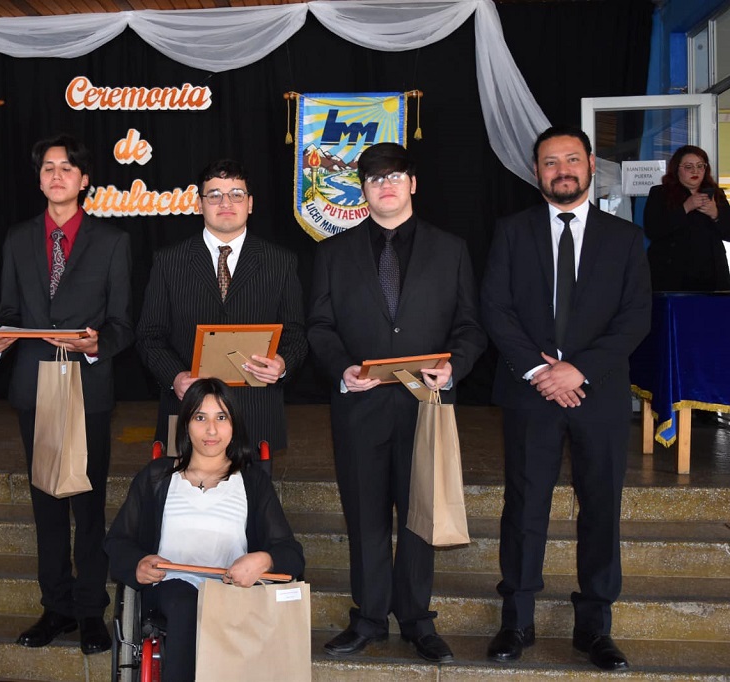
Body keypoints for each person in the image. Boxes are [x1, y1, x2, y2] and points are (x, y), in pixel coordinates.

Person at [307, 142, 485, 662]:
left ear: (412, 184)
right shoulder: (331, 253)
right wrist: (342, 367)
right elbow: (319, 325)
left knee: (419, 514)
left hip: (425, 405)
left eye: (395, 176)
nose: (385, 185)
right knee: (363, 516)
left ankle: (416, 620)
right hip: (359, 406)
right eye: (374, 178)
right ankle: (367, 619)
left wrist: (456, 366)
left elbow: (470, 326)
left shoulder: (450, 249)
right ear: (362, 190)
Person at [481, 126, 651, 671]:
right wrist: (540, 370)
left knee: (600, 506)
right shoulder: (510, 232)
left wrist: (579, 370)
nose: (562, 170)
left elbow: (635, 319)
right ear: (536, 172)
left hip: (597, 394)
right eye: (550, 162)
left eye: (571, 160)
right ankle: (517, 621)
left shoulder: (624, 238)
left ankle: (594, 628)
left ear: (590, 164)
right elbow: (496, 309)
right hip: (530, 391)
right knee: (524, 507)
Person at [0, 134, 133, 655]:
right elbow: (10, 313)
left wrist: (96, 345)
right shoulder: (19, 238)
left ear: (84, 179)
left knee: (88, 504)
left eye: (67, 167)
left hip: (87, 386)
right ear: (39, 178)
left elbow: (122, 325)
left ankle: (92, 610)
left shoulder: (112, 241)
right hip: (35, 385)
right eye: (48, 168)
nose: (57, 175)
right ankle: (56, 608)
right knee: (45, 501)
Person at [104, 378, 305, 682]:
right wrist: (137, 564)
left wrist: (264, 559)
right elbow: (118, 542)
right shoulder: (157, 478)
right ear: (185, 425)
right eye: (200, 417)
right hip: (169, 591)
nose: (211, 430)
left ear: (233, 425)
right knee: (186, 601)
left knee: (205, 603)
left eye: (221, 417)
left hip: (232, 595)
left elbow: (292, 556)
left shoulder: (252, 483)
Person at [137, 159, 307, 453]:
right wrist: (175, 378)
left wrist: (282, 365)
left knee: (252, 498)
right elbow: (149, 335)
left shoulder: (280, 262)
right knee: (186, 498)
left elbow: (296, 333)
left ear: (250, 204)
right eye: (214, 195)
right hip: (188, 408)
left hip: (256, 413)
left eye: (236, 194)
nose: (226, 202)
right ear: (199, 204)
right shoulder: (168, 262)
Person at [643, 145, 730, 292]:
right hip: (671, 276)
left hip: (711, 277)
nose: (695, 171)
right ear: (677, 169)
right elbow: (653, 230)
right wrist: (685, 208)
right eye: (688, 166)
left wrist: (715, 214)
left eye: (700, 166)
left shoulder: (716, 194)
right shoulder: (660, 193)